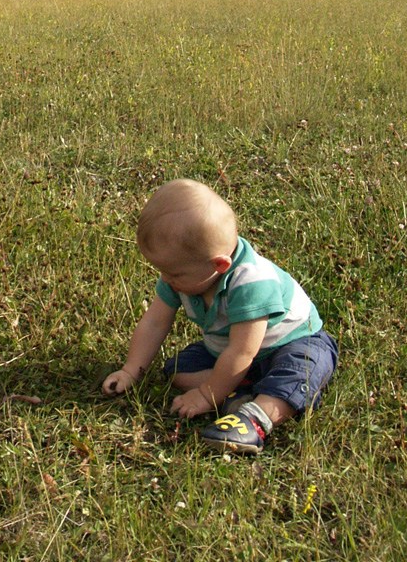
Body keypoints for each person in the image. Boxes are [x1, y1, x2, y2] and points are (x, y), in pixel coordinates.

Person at [101, 178, 337, 454]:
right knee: (177, 369)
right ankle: (240, 388)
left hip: (292, 344)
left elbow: (242, 351)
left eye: (174, 273)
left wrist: (207, 395)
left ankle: (257, 417)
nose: (166, 279)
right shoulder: (184, 277)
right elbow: (154, 323)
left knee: (300, 374)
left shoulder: (251, 283)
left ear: (219, 265)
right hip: (231, 352)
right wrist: (131, 370)